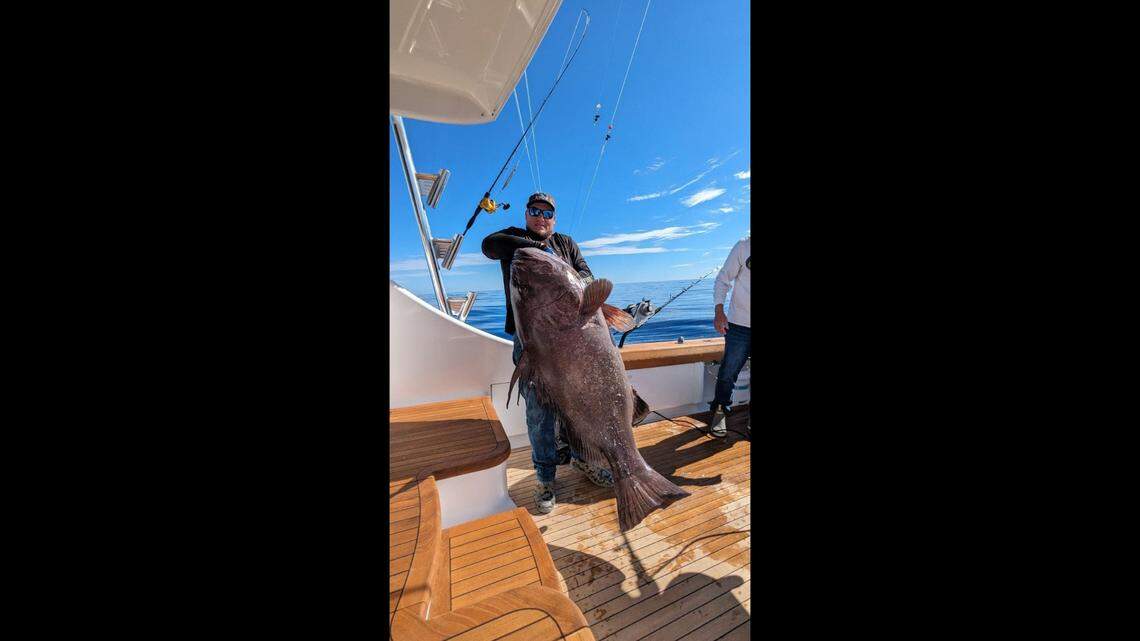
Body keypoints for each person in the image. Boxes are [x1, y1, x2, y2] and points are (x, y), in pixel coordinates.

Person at [481, 192, 615, 514]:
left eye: (547, 213)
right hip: (532, 344)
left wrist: (575, 279)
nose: (541, 217)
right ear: (527, 214)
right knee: (541, 412)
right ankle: (544, 478)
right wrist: (538, 250)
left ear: (554, 219)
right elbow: (489, 245)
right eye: (535, 211)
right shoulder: (515, 240)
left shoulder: (567, 244)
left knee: (577, 405)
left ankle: (583, 460)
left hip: (571, 341)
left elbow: (586, 273)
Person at [709, 235, 751, 438]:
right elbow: (723, 280)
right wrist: (719, 311)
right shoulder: (743, 247)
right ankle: (720, 410)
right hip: (739, 325)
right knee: (728, 372)